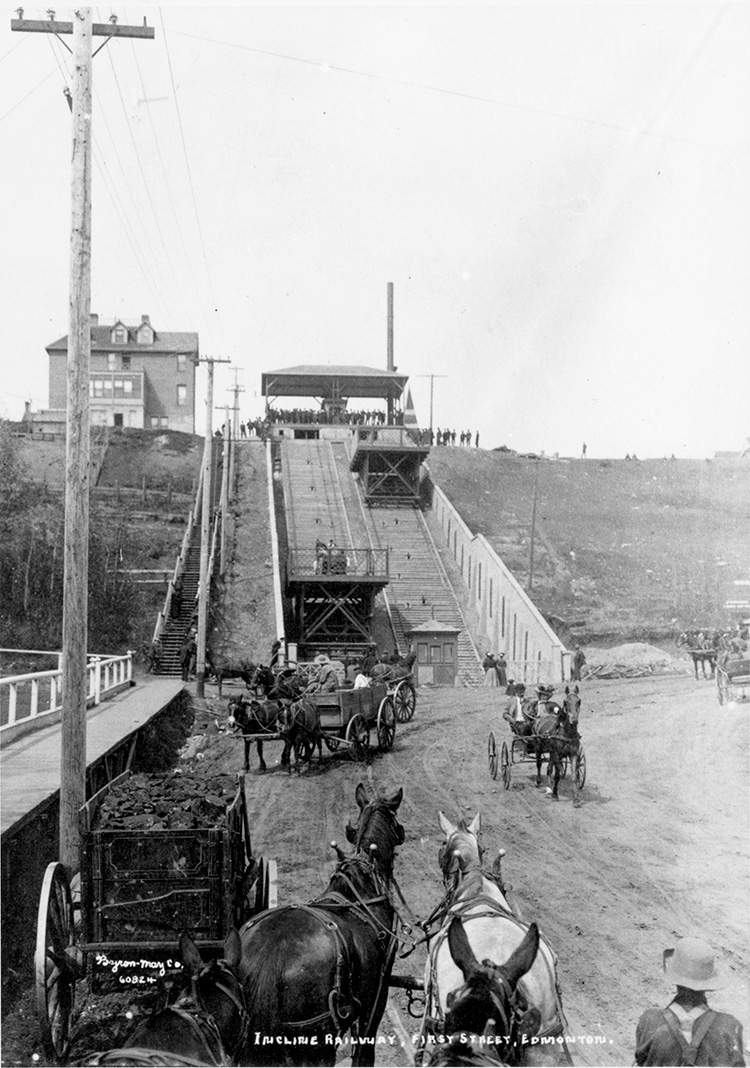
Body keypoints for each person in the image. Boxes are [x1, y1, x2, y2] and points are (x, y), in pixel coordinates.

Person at [634, 936, 744, 1066]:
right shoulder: (730, 1026)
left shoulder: (649, 1021)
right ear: (708, 982)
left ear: (675, 979)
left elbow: (641, 1060)